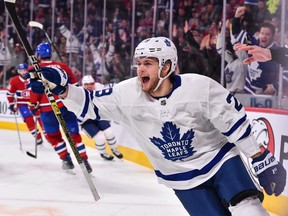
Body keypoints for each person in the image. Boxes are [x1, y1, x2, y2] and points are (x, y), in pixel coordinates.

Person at [28, 37, 286, 216]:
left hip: (220, 160)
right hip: (180, 177)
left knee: (248, 208)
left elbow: (235, 123)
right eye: (138, 63)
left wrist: (259, 155)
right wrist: (61, 86)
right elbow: (89, 104)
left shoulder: (200, 88)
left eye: (148, 63)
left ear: (168, 66)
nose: (140, 69)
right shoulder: (126, 94)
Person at [28, 42, 92, 173]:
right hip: (65, 105)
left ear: (39, 55)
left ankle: (66, 160)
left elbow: (35, 90)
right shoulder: (63, 66)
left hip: (47, 109)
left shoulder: (34, 68)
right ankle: (84, 160)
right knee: (74, 133)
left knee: (53, 135)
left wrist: (33, 105)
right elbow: (74, 86)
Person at [80, 75, 123, 160]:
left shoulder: (99, 87)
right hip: (86, 121)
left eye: (91, 83)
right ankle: (103, 153)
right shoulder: (79, 93)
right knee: (100, 137)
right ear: (83, 85)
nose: (89, 86)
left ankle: (114, 149)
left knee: (109, 133)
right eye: (86, 84)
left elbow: (110, 87)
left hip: (99, 116)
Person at [6, 63, 45, 145]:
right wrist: (12, 104)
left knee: (42, 119)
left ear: (28, 70)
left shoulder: (33, 78)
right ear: (18, 71)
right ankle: (38, 137)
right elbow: (10, 94)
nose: (23, 72)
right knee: (28, 119)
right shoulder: (14, 80)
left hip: (34, 104)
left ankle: (48, 135)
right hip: (22, 104)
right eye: (21, 70)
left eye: (24, 70)